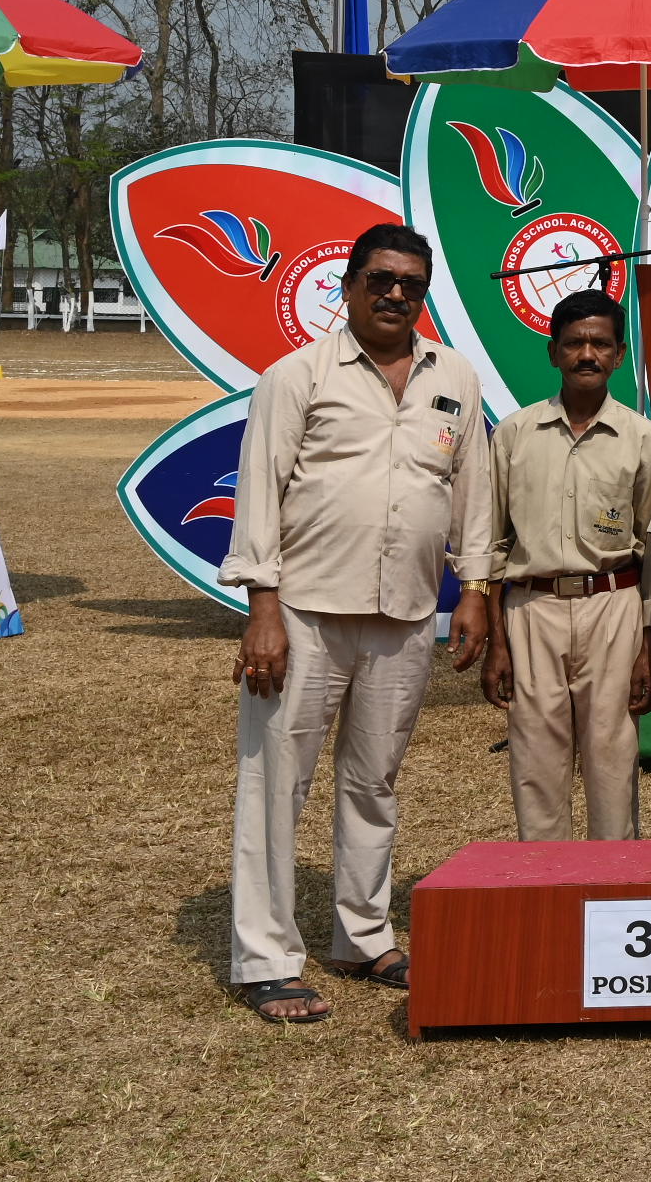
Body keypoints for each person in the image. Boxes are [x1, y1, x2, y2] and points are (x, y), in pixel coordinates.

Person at [220, 223, 493, 1025]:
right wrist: (262, 610)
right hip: (304, 612)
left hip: (404, 615)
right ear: (349, 286)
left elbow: (471, 487)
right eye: (381, 279)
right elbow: (260, 491)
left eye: (411, 283)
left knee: (374, 783)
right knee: (277, 786)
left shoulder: (454, 376)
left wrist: (474, 587)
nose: (395, 294)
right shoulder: (297, 375)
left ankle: (363, 937)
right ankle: (266, 959)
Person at [476, 288, 651, 842]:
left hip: (614, 606)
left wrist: (648, 649)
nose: (587, 354)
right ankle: (546, 883)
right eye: (574, 343)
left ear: (619, 354)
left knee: (613, 761)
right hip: (531, 608)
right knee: (536, 763)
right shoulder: (514, 435)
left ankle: (613, 880)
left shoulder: (645, 440)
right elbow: (493, 543)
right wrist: (497, 643)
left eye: (600, 344)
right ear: (553, 352)